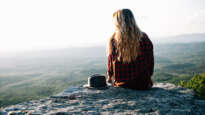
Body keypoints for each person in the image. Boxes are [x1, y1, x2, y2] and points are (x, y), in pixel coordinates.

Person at [107, 9, 154, 90]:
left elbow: (111, 64)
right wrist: (148, 78)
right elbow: (150, 62)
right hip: (143, 84)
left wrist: (109, 78)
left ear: (118, 23)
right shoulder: (144, 37)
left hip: (122, 84)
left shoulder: (113, 40)